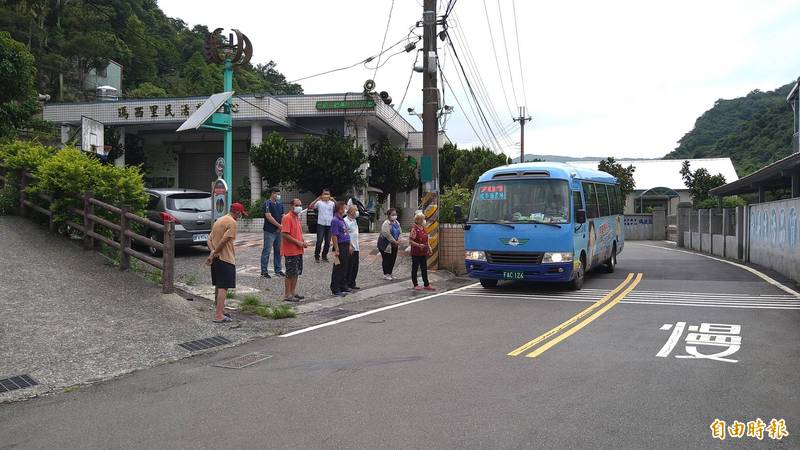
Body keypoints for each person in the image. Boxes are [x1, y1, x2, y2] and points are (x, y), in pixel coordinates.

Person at [206, 202, 248, 322]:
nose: (240, 216)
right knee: (223, 287)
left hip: (216, 259)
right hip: (226, 258)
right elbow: (224, 240)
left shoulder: (219, 220)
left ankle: (221, 311)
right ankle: (219, 315)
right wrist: (215, 253)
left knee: (220, 285)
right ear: (237, 212)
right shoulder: (232, 222)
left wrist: (212, 252)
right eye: (240, 213)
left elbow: (209, 239)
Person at [281, 198, 309, 302]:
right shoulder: (287, 218)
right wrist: (298, 243)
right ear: (292, 206)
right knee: (290, 273)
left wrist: (303, 241)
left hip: (298, 250)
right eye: (297, 205)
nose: (299, 207)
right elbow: (284, 234)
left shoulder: (297, 217)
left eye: (300, 205)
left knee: (296, 272)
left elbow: (298, 233)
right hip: (291, 251)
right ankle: (287, 294)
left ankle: (293, 292)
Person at [260, 187, 284, 278]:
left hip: (279, 231)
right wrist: (279, 225)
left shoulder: (280, 204)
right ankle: (264, 272)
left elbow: (283, 215)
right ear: (272, 193)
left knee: (278, 251)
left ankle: (278, 270)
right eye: (277, 194)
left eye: (278, 194)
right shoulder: (267, 203)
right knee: (267, 251)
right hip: (269, 231)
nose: (278, 195)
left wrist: (281, 226)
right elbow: (268, 216)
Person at [329, 201, 351, 297]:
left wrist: (350, 245)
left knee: (344, 266)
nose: (346, 209)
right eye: (344, 208)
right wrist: (336, 248)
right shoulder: (335, 220)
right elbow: (334, 235)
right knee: (338, 267)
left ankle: (343, 285)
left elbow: (346, 232)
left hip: (345, 245)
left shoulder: (341, 219)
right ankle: (335, 288)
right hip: (340, 245)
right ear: (340, 209)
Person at [409, 212, 435, 291]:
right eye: (423, 219)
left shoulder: (423, 228)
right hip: (416, 252)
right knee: (415, 268)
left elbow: (426, 240)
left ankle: (426, 284)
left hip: (423, 252)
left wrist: (429, 248)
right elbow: (410, 241)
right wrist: (419, 245)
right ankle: (415, 284)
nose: (425, 221)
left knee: (424, 268)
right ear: (419, 220)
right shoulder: (414, 229)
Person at [309, 188, 336, 262]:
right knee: (319, 241)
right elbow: (310, 206)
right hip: (321, 224)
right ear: (322, 195)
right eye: (325, 194)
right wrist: (317, 199)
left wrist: (333, 200)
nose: (326, 195)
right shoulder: (319, 203)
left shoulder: (332, 203)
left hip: (329, 224)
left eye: (328, 194)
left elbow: (338, 208)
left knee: (327, 241)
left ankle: (324, 256)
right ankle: (317, 256)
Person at [377, 208, 401, 280]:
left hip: (394, 244)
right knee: (386, 259)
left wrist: (399, 240)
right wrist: (394, 241)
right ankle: (386, 274)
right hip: (385, 245)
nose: (394, 216)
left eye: (395, 214)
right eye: (393, 214)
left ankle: (390, 273)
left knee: (393, 259)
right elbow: (387, 234)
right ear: (389, 215)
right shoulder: (386, 224)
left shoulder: (397, 223)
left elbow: (400, 232)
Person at [344, 204, 361, 290]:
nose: (357, 212)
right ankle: (346, 283)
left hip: (356, 247)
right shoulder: (345, 221)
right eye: (355, 210)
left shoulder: (354, 220)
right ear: (350, 212)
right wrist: (349, 245)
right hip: (349, 247)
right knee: (349, 266)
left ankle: (352, 283)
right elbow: (345, 235)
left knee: (355, 266)